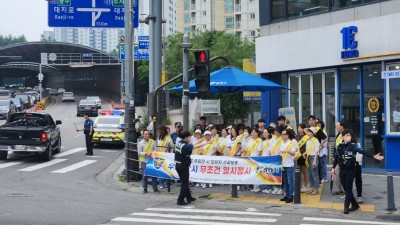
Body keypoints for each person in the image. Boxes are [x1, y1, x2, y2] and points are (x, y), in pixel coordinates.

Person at [332, 129, 384, 214]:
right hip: (342, 170)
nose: (348, 137)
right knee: (345, 189)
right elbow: (336, 158)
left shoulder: (354, 146)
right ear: (343, 137)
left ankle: (346, 207)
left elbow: (362, 151)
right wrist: (333, 168)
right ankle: (355, 204)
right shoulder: (339, 147)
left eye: (349, 135)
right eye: (346, 135)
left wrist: (373, 156)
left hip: (350, 170)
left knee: (348, 189)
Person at [174, 131, 196, 205]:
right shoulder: (185, 145)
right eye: (189, 137)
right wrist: (206, 142)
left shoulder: (179, 142)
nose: (190, 138)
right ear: (186, 138)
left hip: (178, 164)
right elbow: (195, 146)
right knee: (185, 183)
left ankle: (189, 197)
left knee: (185, 181)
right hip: (183, 165)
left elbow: (193, 144)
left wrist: (202, 140)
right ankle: (180, 200)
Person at [279, 128, 297, 203]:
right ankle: (286, 195)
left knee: (290, 181)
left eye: (284, 134)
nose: (282, 136)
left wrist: (287, 151)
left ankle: (291, 196)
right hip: (283, 165)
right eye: (281, 134)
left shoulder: (291, 143)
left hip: (289, 164)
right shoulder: (282, 143)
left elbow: (294, 153)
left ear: (287, 135)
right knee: (285, 181)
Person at [156, 124, 173, 189]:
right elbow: (157, 146)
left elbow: (167, 146)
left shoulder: (168, 137)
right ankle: (161, 183)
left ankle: (168, 183)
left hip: (166, 155)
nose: (158, 131)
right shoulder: (159, 137)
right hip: (160, 155)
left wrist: (163, 152)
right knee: (160, 169)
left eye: (159, 130)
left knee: (166, 170)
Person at [304, 127, 320, 195]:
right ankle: (313, 188)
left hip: (314, 157)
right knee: (310, 174)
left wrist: (314, 161)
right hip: (308, 157)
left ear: (313, 133)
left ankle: (316, 189)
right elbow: (307, 150)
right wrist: (304, 153)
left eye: (310, 132)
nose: (308, 133)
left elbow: (317, 151)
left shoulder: (316, 140)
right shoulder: (308, 141)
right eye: (308, 131)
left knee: (314, 174)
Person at [333, 120, 346, 195]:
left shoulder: (346, 135)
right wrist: (334, 156)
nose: (336, 127)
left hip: (344, 158)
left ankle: (346, 190)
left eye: (337, 126)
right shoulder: (338, 135)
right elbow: (336, 147)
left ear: (342, 127)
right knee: (336, 173)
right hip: (338, 158)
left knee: (342, 174)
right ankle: (339, 189)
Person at [296, 123, 310, 193]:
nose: (299, 129)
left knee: (304, 171)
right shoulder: (296, 136)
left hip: (303, 156)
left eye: (301, 128)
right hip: (298, 156)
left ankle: (306, 185)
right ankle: (300, 186)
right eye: (298, 128)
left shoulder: (306, 137)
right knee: (298, 172)